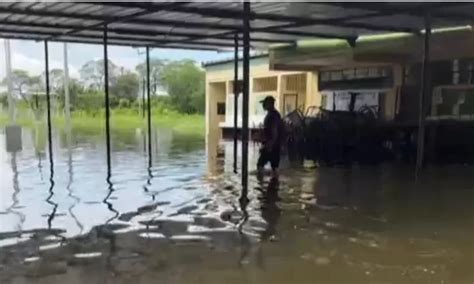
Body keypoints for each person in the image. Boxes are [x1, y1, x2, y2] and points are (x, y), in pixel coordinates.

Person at [257, 96, 283, 177]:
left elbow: (274, 130)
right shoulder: (274, 114)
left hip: (272, 145)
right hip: (274, 145)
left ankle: (260, 187)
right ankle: (274, 186)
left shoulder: (272, 115)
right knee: (274, 167)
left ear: (269, 104)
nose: (263, 105)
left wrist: (269, 145)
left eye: (264, 103)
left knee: (260, 165)